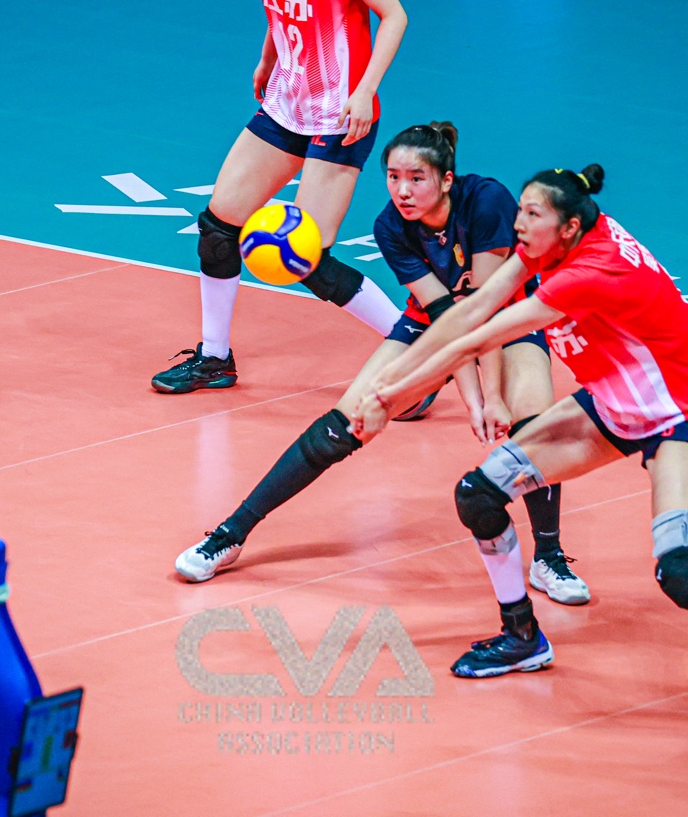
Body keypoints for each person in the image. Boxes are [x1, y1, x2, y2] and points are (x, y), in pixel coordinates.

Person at [351, 165, 688, 761]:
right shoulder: (557, 239)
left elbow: (477, 340)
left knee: (682, 572)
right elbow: (474, 308)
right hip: (609, 402)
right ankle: (521, 636)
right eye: (521, 210)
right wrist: (389, 390)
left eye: (533, 214)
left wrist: (387, 398)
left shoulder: (589, 273)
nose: (518, 223)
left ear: (569, 227)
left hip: (672, 413)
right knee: (479, 494)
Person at [175, 123, 590, 607]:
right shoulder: (390, 227)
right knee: (342, 425)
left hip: (507, 316)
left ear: (447, 180)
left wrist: (493, 399)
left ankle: (548, 557)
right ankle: (230, 534)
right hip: (437, 324)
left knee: (533, 421)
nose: (402, 190)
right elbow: (447, 318)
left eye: (416, 178)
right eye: (393, 177)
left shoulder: (487, 201)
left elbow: (483, 310)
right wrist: (473, 401)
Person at [153, 0, 409, 394]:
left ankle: (416, 356)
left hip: (340, 115)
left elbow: (394, 15)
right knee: (218, 228)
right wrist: (269, 56)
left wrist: (365, 90)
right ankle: (215, 358)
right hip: (286, 101)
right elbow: (281, 1)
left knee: (306, 257)